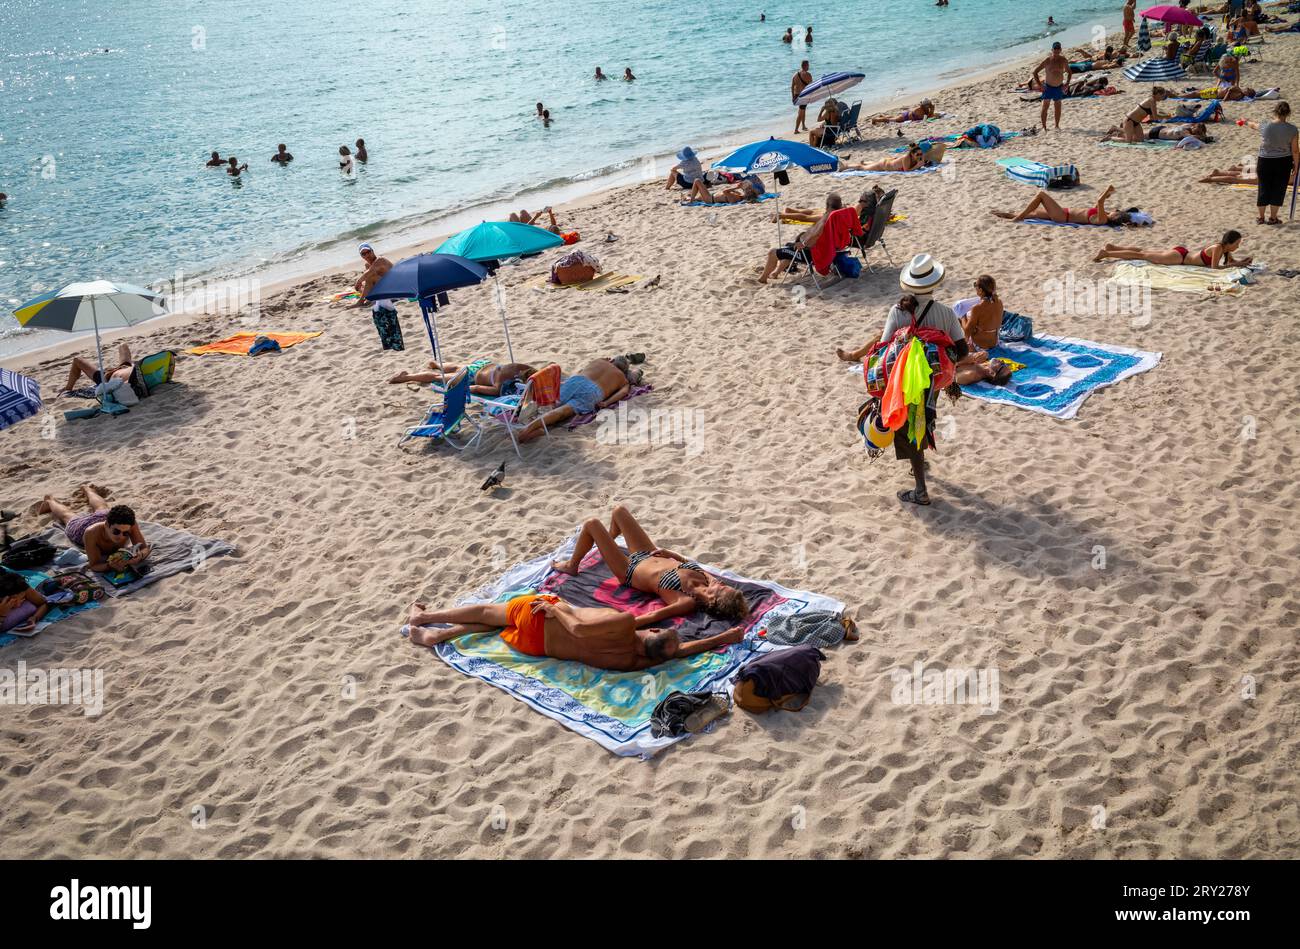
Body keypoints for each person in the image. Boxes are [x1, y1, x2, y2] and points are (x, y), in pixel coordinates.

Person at [404, 595, 744, 670]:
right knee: (498, 624)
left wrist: (555, 610)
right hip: (537, 648)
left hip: (545, 621)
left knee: (488, 612)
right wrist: (718, 640)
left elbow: (580, 628)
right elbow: (678, 652)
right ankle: (439, 637)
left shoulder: (625, 623)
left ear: (652, 629)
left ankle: (427, 618)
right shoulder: (632, 662)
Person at [552, 505, 750, 624]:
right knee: (619, 512)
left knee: (592, 524)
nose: (722, 583)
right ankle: (605, 544)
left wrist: (620, 624)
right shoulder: (709, 581)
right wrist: (671, 554)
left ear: (712, 600)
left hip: (629, 570)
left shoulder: (686, 601)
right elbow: (688, 562)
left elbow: (652, 617)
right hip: (647, 553)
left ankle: (573, 565)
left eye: (724, 588)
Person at [875, 257, 967, 506]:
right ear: (932, 284)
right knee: (924, 417)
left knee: (908, 426)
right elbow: (963, 350)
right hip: (931, 380)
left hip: (903, 380)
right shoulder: (946, 313)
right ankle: (919, 462)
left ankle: (920, 491)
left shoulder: (898, 311)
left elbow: (884, 347)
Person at [518, 357, 641, 440]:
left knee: (554, 402)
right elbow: (622, 393)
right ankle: (532, 429)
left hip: (578, 380)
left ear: (613, 360)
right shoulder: (623, 380)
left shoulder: (600, 361)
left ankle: (529, 421)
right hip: (594, 392)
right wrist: (606, 402)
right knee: (562, 412)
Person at [37, 487, 152, 573]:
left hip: (104, 516)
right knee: (68, 516)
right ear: (107, 525)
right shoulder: (90, 533)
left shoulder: (129, 524)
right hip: (82, 527)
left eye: (125, 533)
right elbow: (94, 565)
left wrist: (138, 557)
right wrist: (109, 566)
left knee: (102, 509)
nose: (121, 536)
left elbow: (144, 548)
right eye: (116, 532)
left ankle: (88, 489)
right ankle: (50, 501)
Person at [1243, 101, 1298, 225]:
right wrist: (1297, 165)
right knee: (1278, 189)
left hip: (1265, 160)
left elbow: (1253, 125)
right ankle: (1273, 218)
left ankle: (1261, 217)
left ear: (1275, 111)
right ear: (1288, 113)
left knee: (1263, 187)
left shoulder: (1265, 125)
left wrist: (1246, 121)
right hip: (1283, 161)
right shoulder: (1293, 129)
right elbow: (1295, 150)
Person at [991, 184, 1140, 225]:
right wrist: (1107, 194)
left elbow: (1100, 202)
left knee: (1041, 195)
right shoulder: (1104, 215)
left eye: (1116, 211)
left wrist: (1108, 190)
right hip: (1063, 212)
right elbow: (1098, 203)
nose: (1114, 210)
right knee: (1031, 214)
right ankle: (1004, 215)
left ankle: (1016, 218)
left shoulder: (1103, 219)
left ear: (1115, 217)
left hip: (1063, 216)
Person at [1093, 229, 1252, 266]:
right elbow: (1215, 268)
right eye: (1237, 244)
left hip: (1181, 253)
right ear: (1229, 243)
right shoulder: (1218, 248)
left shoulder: (1223, 250)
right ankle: (1107, 253)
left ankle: (1113, 247)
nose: (1238, 247)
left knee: (1144, 252)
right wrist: (1237, 264)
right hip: (1179, 258)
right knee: (1142, 255)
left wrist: (1241, 261)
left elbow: (1229, 263)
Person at [388, 359, 536, 396]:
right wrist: (464, 390)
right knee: (438, 378)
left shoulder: (520, 367)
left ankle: (438, 363)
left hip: (483, 364)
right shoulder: (503, 381)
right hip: (472, 376)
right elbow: (478, 388)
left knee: (457, 367)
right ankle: (406, 377)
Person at [59, 342, 144, 403]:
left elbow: (120, 387)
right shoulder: (139, 368)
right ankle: (67, 388)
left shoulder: (130, 380)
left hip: (108, 378)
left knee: (77, 360)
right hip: (126, 367)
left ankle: (68, 388)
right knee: (123, 345)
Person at [1032, 42, 1070, 130]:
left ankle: (1057, 125)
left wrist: (1067, 83)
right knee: (1045, 107)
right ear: (1052, 50)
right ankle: (1044, 127)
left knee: (1058, 107)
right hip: (1048, 87)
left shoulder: (1063, 60)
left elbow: (1069, 72)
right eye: (1055, 49)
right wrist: (1040, 85)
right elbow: (1035, 72)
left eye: (1058, 49)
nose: (1056, 51)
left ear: (1060, 50)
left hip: (1058, 87)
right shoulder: (1047, 60)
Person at [840, 143, 927, 173]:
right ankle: (846, 166)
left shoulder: (918, 157)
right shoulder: (906, 158)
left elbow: (921, 162)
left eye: (921, 154)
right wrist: (918, 165)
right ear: (912, 154)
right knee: (862, 168)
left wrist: (922, 161)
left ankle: (866, 162)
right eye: (918, 154)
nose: (920, 156)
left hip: (888, 161)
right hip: (884, 165)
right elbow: (907, 171)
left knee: (871, 165)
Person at [681, 177, 763, 205]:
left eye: (747, 190)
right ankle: (687, 198)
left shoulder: (736, 199)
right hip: (711, 196)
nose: (746, 189)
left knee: (697, 181)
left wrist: (736, 188)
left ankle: (690, 201)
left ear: (747, 195)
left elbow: (725, 192)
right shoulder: (739, 196)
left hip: (710, 199)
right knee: (696, 197)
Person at [871, 99, 936, 124]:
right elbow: (926, 119)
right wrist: (932, 110)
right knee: (889, 120)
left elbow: (929, 115)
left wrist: (932, 110)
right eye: (927, 105)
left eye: (929, 104)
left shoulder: (925, 108)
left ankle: (882, 116)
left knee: (893, 117)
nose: (928, 106)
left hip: (906, 115)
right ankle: (875, 119)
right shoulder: (920, 110)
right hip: (905, 117)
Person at [792, 60, 813, 133]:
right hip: (804, 95)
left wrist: (793, 97)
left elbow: (792, 86)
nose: (809, 67)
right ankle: (796, 129)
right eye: (808, 65)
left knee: (802, 110)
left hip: (796, 95)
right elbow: (811, 86)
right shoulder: (808, 75)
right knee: (801, 112)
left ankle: (803, 125)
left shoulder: (795, 75)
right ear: (805, 66)